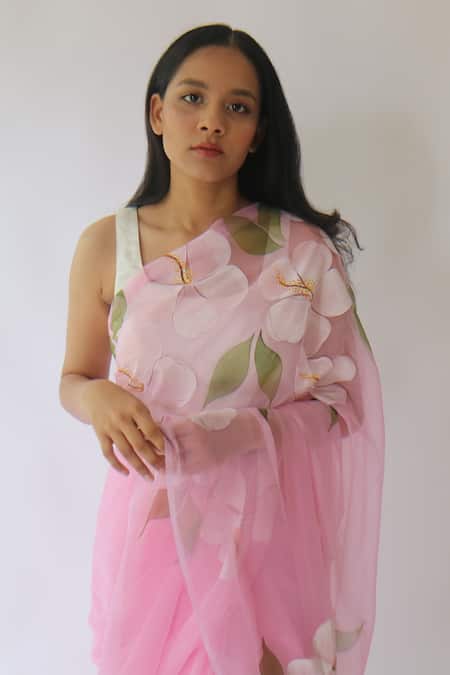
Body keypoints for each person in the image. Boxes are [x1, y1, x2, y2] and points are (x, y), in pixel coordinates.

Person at [59, 23, 385, 675]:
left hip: (267, 540)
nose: (212, 121)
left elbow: (344, 404)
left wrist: (236, 434)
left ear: (257, 132)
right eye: (192, 98)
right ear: (157, 113)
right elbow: (75, 378)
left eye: (238, 107)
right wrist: (96, 399)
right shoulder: (107, 245)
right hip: (149, 531)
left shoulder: (301, 254)